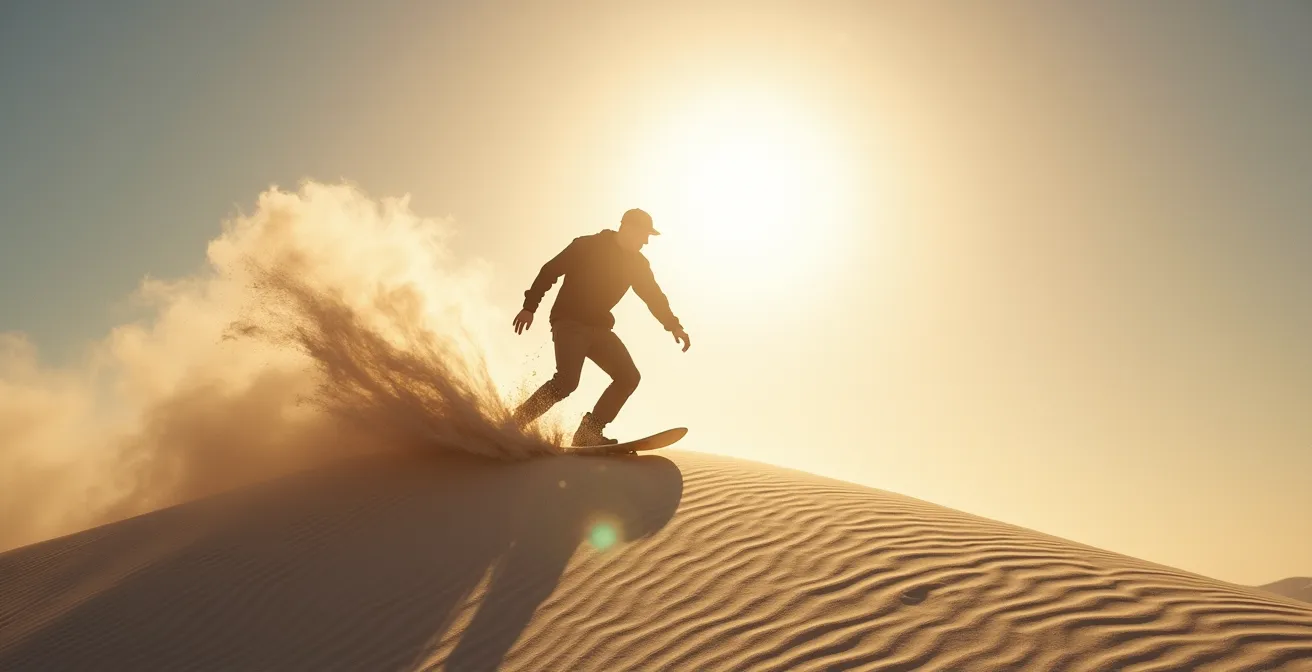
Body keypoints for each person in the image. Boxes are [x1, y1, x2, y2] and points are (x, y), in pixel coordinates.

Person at [511, 208, 691, 446]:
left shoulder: (637, 264)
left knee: (628, 377)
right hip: (570, 322)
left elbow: (653, 296)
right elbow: (550, 271)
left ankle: (588, 432)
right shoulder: (587, 246)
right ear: (627, 228)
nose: (646, 242)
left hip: (599, 328)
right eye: (643, 235)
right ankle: (514, 423)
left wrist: (674, 326)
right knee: (566, 382)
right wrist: (529, 307)